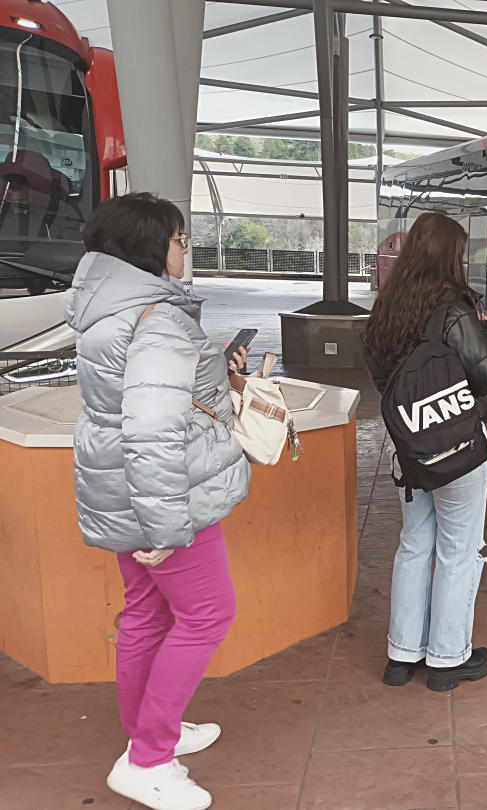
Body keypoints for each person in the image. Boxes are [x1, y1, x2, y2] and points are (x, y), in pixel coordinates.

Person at [65, 193, 252, 810]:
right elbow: (151, 429)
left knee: (147, 613)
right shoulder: (157, 317)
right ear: (151, 246)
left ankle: (151, 730)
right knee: (208, 615)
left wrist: (212, 367)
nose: (184, 249)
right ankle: (147, 759)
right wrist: (167, 527)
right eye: (179, 238)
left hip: (123, 489)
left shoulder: (111, 310)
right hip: (161, 499)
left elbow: (141, 400)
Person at [364, 211, 487, 692]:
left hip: (409, 445)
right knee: (458, 552)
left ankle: (401, 655)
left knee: (413, 545)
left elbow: (384, 380)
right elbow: (485, 375)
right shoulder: (456, 310)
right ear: (451, 255)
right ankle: (447, 658)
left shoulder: (387, 306)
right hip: (458, 446)